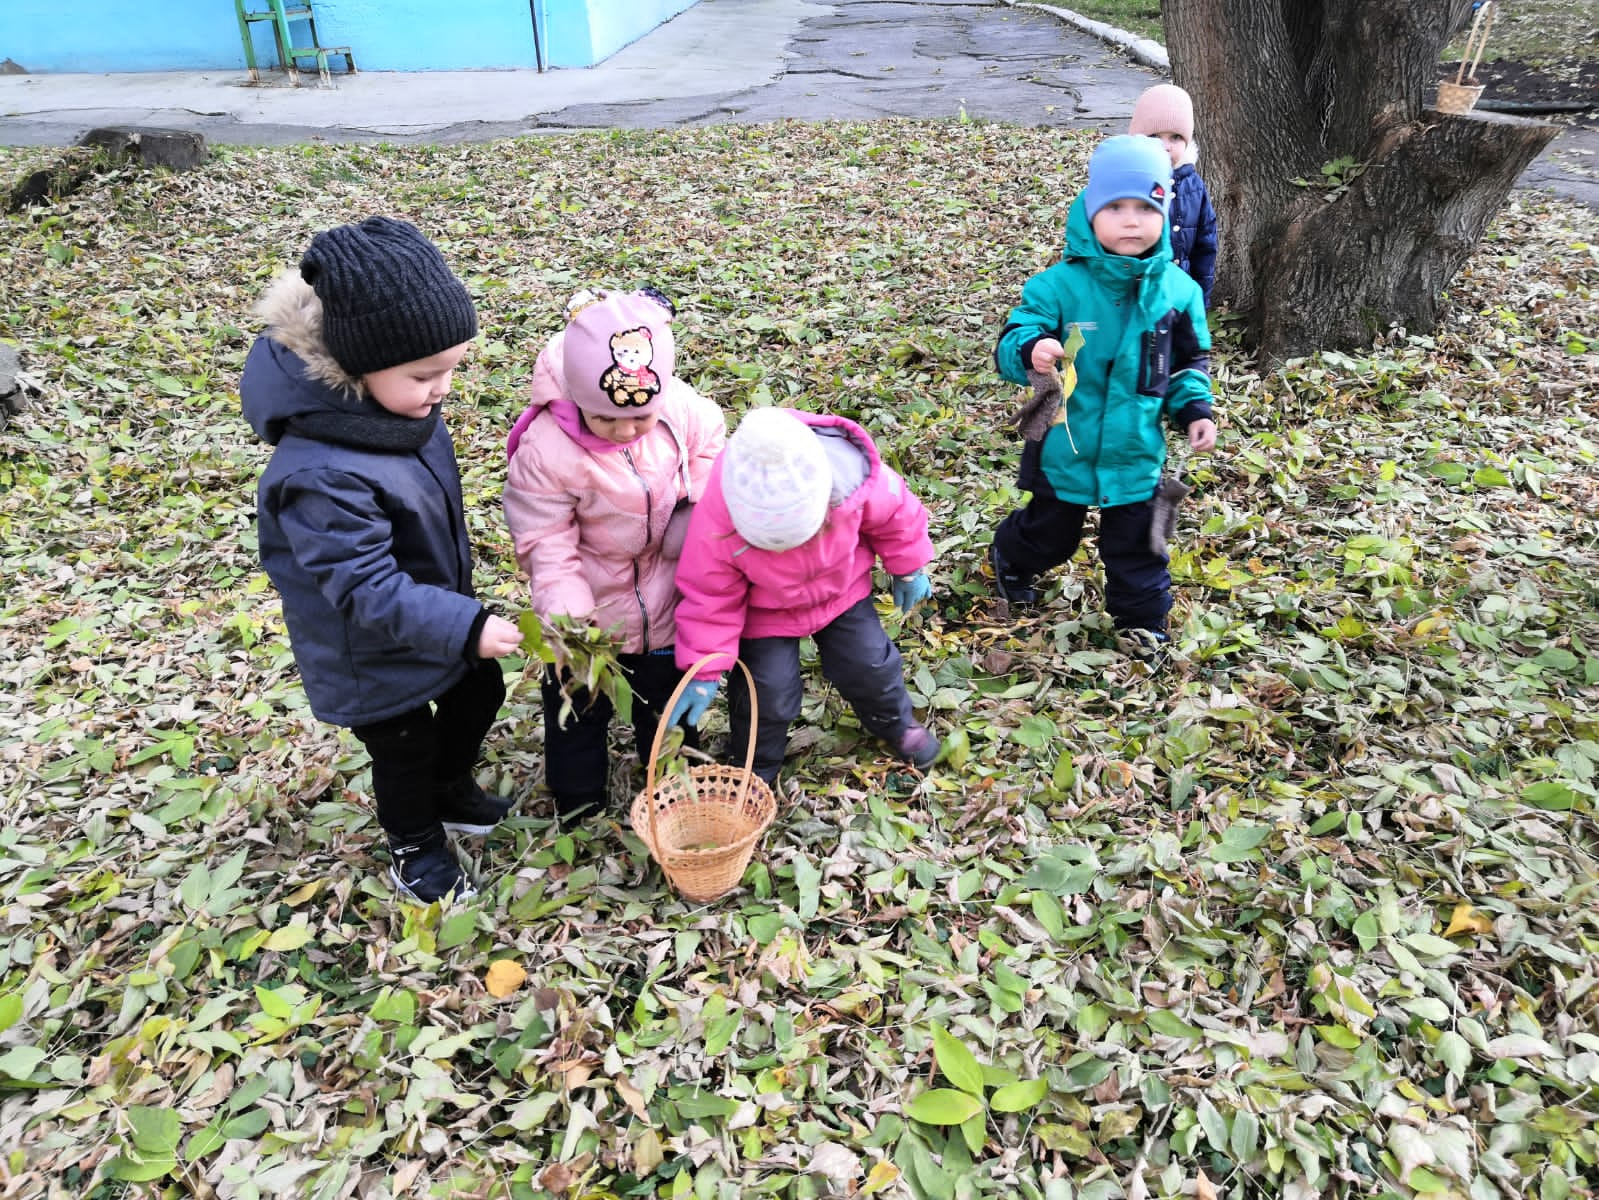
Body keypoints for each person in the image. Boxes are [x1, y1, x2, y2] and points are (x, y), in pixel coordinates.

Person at [241, 216, 522, 905]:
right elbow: (362, 586)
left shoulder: (395, 412)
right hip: (367, 647)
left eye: (452, 369)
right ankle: (414, 844)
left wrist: (456, 619)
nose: (444, 389)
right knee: (403, 747)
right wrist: (462, 625)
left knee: (478, 689)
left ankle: (450, 789)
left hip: (428, 611)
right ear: (361, 363)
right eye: (426, 374)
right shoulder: (321, 472)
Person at [503, 288, 725, 819]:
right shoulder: (547, 450)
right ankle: (579, 800)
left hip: (667, 599)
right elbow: (546, 544)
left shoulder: (678, 408)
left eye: (639, 420)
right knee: (579, 707)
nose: (625, 431)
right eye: (607, 420)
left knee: (667, 703)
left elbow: (711, 444)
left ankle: (672, 781)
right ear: (578, 398)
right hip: (592, 606)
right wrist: (571, 624)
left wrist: (693, 507)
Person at [988, 135, 1217, 649]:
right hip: (1064, 444)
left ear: (1165, 213)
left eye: (1145, 207)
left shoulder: (1179, 293)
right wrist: (1032, 349)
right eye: (1116, 207)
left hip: (1135, 449)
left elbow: (1187, 363)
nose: (1131, 220)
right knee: (1052, 533)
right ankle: (1012, 557)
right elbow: (1014, 338)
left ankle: (1143, 625)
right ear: (1090, 212)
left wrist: (1194, 408)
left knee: (1138, 545)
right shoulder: (1057, 286)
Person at [667, 407, 938, 784]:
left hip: (841, 589)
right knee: (767, 692)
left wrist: (908, 566)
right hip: (767, 612)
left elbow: (897, 516)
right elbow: (709, 596)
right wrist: (705, 667)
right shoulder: (717, 519)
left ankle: (896, 723)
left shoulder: (851, 479)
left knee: (869, 664)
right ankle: (755, 766)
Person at [1129, 83, 1218, 305]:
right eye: (1155, 136)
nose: (1165, 146)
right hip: (1137, 300)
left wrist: (1200, 301)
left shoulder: (1194, 185)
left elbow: (1205, 247)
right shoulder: (1129, 183)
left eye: (1175, 137)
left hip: (1179, 299)